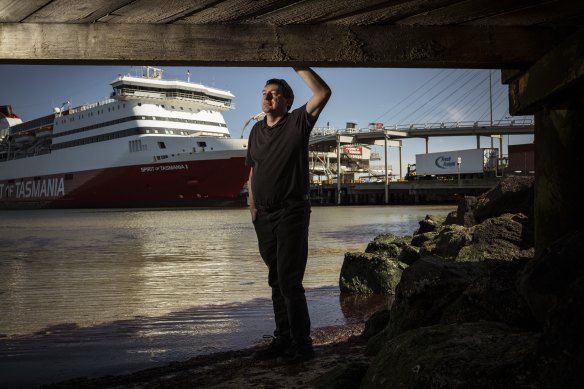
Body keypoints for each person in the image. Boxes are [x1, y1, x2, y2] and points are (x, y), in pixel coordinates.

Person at [246, 67, 331, 364]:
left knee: (289, 280)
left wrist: (299, 66)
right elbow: (253, 170)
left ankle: (302, 345)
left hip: (291, 211)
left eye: (275, 94)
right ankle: (282, 339)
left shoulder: (297, 123)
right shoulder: (256, 130)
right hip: (264, 217)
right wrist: (253, 207)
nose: (268, 98)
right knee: (275, 279)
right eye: (265, 93)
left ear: (287, 100)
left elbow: (323, 93)